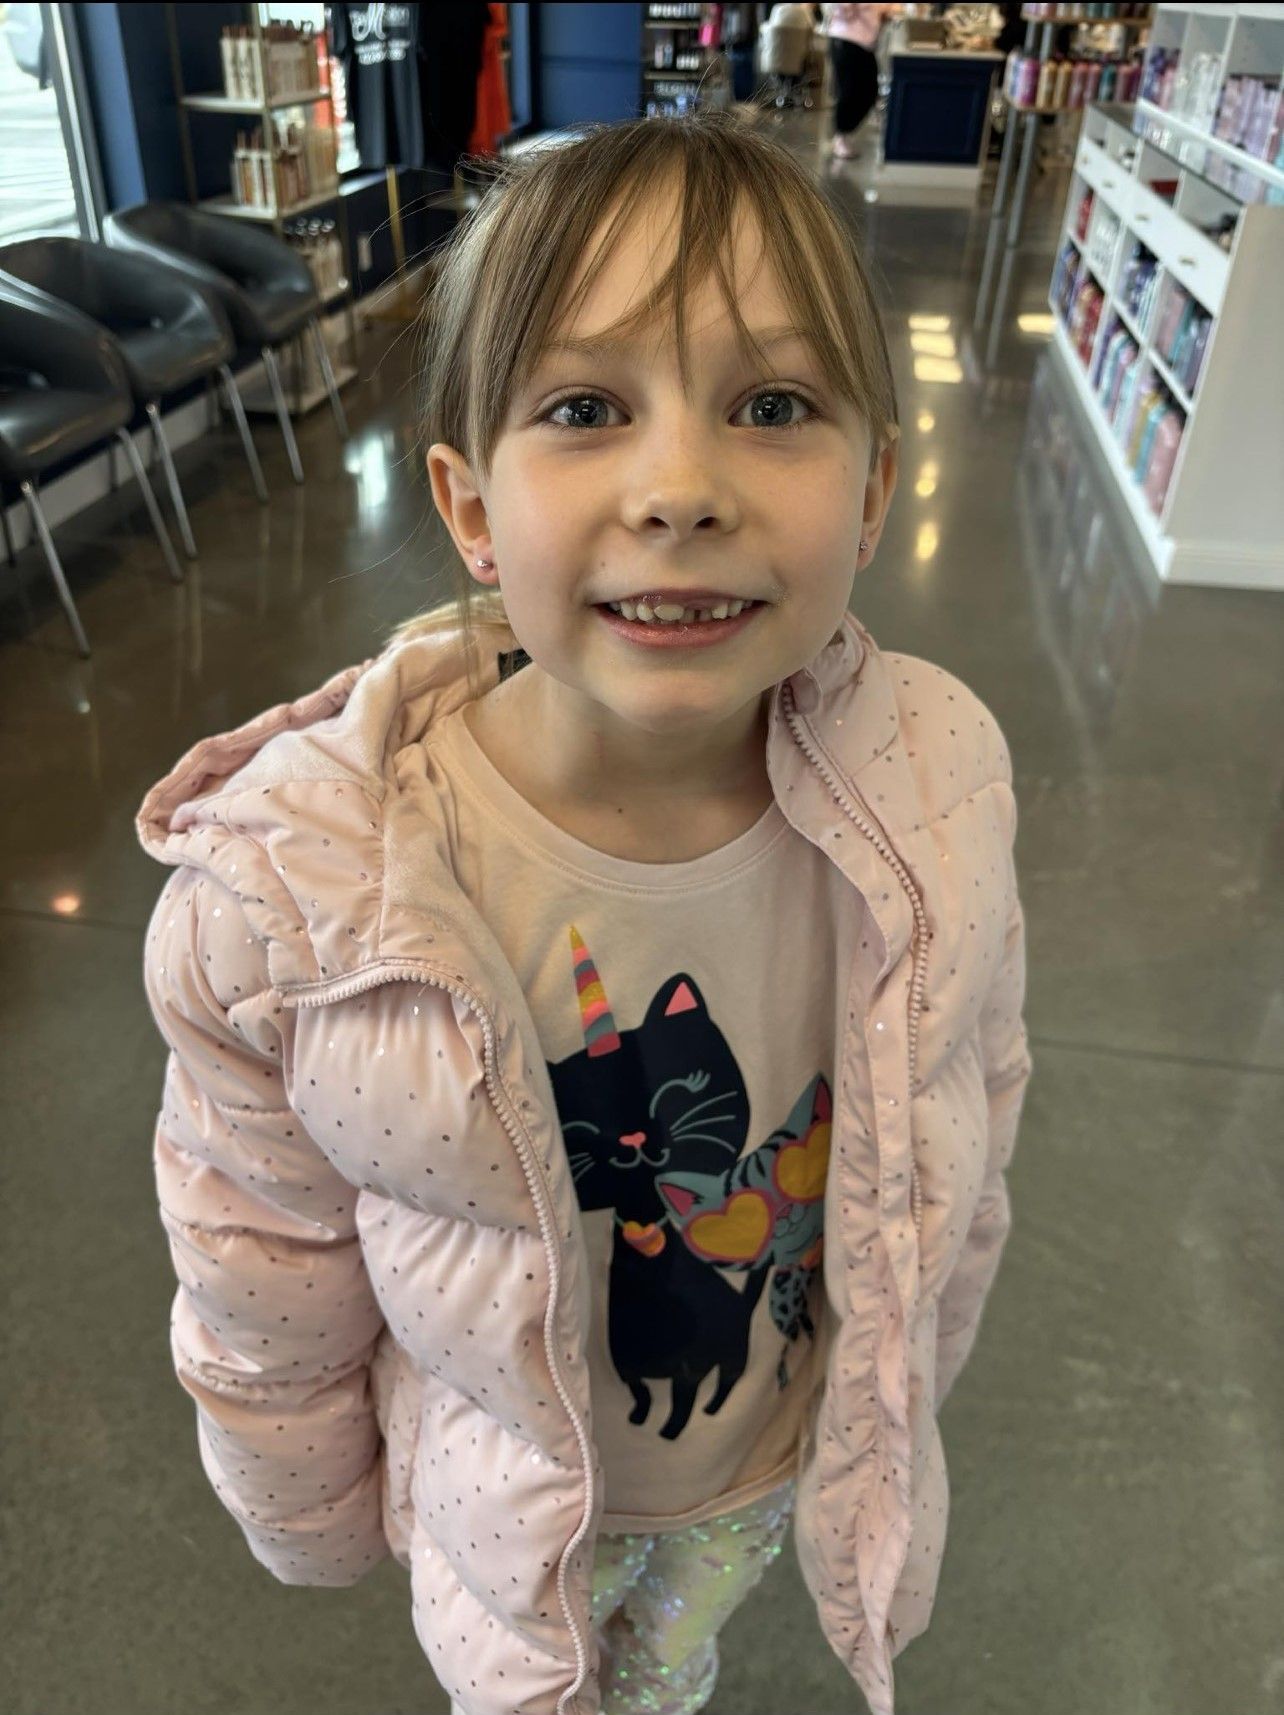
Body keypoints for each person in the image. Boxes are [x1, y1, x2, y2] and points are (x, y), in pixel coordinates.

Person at [137, 109, 1031, 1715]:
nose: (679, 488)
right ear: (472, 509)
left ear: (876, 490)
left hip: (755, 1465)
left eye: (773, 406)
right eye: (585, 408)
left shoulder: (936, 792)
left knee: (669, 1673)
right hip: (502, 1504)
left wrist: (905, 1382)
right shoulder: (295, 901)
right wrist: (308, 1508)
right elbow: (258, 1251)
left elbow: (969, 1107)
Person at [821, 3, 897, 157]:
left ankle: (844, 133)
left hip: (864, 44)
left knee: (869, 90)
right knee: (849, 91)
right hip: (846, 40)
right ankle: (841, 137)